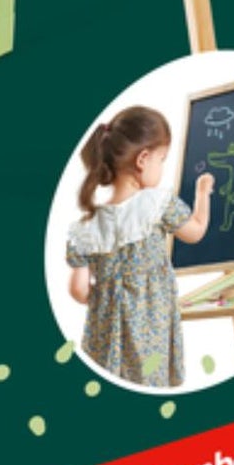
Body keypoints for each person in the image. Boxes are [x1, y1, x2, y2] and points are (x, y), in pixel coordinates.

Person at [65, 106, 215, 387]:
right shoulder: (156, 204)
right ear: (143, 159)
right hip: (150, 333)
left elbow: (78, 290)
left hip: (103, 342)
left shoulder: (85, 228)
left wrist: (109, 296)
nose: (162, 167)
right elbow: (195, 231)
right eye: (162, 159)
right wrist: (202, 192)